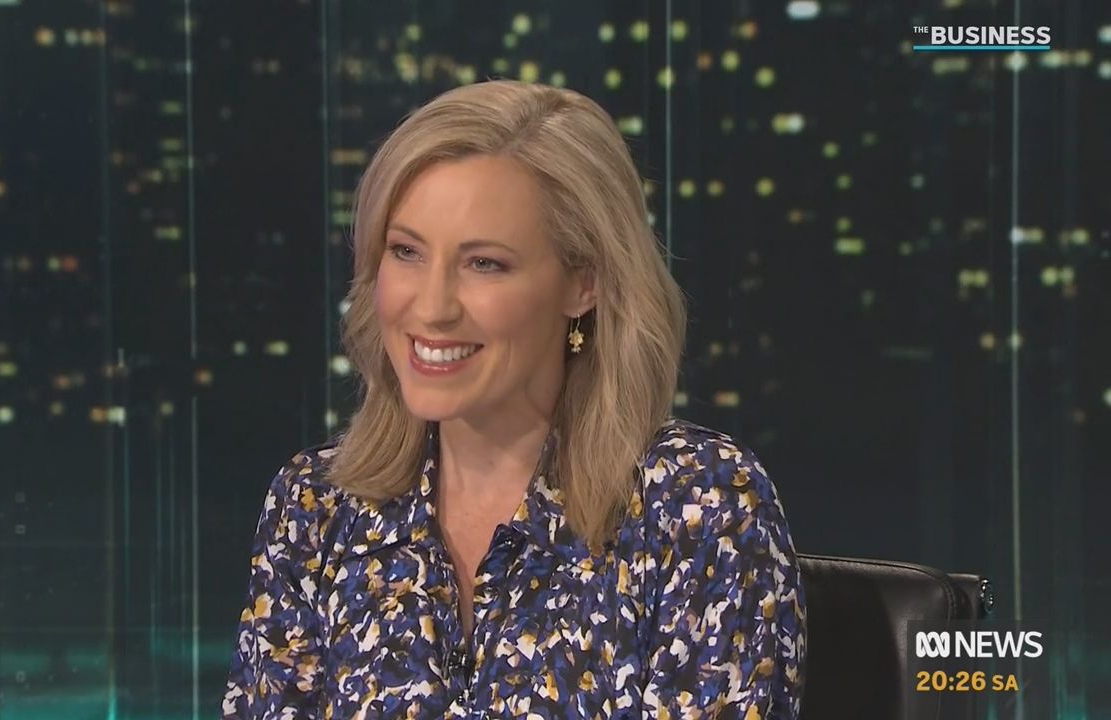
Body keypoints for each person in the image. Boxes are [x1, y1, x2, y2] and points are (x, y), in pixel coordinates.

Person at [222, 79, 806, 719]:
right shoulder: (315, 510)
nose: (432, 307)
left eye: (484, 264)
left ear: (583, 283)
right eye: (406, 251)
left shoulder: (698, 507)